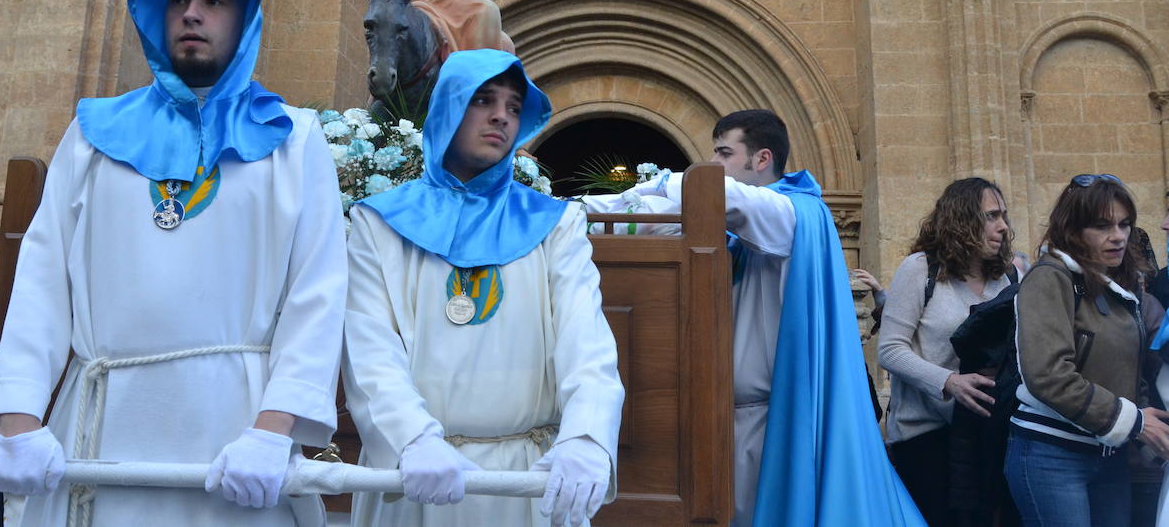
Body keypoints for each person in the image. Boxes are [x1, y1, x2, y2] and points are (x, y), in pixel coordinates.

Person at [0, 0, 346, 527]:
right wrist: (17, 420)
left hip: (236, 434)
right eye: (179, 0)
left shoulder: (293, 142)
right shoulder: (93, 136)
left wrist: (274, 431)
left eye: (215, 0)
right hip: (99, 425)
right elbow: (42, 279)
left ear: (245, 19)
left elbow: (316, 296)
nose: (192, 13)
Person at [582, 109, 923, 526]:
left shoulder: (790, 214)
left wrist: (672, 181)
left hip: (772, 418)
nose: (714, 165)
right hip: (723, 413)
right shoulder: (728, 230)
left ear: (761, 159)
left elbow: (718, 194)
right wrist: (562, 210)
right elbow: (643, 220)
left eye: (724, 153)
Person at [343, 49, 624, 527]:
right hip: (421, 477)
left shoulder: (555, 224)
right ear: (450, 105)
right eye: (483, 100)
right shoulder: (379, 223)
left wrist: (586, 437)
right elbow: (369, 348)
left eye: (514, 107)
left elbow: (586, 338)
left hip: (528, 476)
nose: (501, 116)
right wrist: (411, 438)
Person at [1005, 175, 1169, 526]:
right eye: (1102, 225)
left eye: (1125, 224)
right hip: (1051, 456)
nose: (1119, 235)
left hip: (1109, 456)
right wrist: (1136, 423)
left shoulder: (1117, 285)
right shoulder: (1050, 278)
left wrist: (1144, 430)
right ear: (1073, 230)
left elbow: (1128, 369)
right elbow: (1048, 375)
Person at [877, 177, 1021, 525]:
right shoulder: (921, 270)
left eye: (1003, 215)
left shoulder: (1008, 278)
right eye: (991, 216)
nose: (1003, 226)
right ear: (961, 220)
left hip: (989, 438)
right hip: (927, 439)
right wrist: (949, 382)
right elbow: (890, 350)